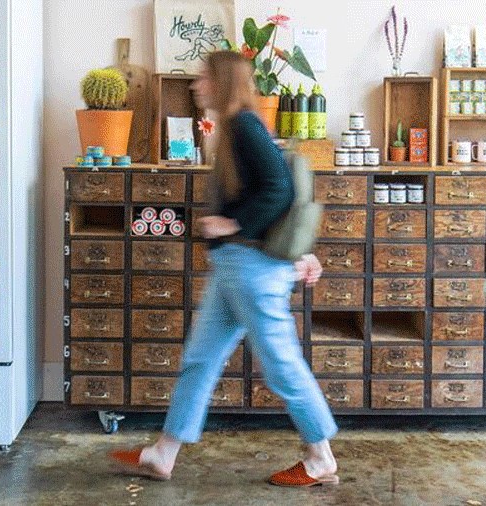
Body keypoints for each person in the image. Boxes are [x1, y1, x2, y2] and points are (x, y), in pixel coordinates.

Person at [109, 51, 339, 488]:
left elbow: (279, 188)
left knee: (281, 366)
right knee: (201, 359)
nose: (196, 85)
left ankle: (320, 457)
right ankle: (163, 453)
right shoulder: (237, 127)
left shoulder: (244, 126)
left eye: (202, 78)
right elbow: (267, 189)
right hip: (234, 266)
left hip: (252, 269)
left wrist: (233, 222)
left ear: (221, 82)